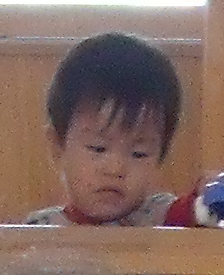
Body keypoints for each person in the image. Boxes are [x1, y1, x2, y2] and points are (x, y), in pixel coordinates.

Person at [27, 34, 187, 228]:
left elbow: (198, 212)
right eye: (98, 148)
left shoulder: (161, 217)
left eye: (139, 154)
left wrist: (208, 198)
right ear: (57, 146)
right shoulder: (42, 229)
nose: (115, 169)